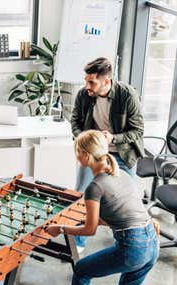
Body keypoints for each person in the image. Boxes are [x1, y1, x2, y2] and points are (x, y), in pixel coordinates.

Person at [43, 130, 158, 285]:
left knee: (82, 269)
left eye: (77, 152)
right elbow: (118, 214)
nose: (76, 156)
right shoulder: (120, 173)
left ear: (86, 155)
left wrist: (60, 228)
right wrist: (86, 219)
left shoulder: (94, 187)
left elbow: (90, 230)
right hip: (151, 242)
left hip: (133, 248)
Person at [70, 57, 145, 251]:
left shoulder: (127, 95)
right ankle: (78, 243)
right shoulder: (84, 95)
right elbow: (75, 122)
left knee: (125, 199)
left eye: (91, 82)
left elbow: (137, 131)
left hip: (123, 153)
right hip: (94, 154)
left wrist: (113, 138)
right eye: (86, 80)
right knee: (81, 196)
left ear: (106, 81)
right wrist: (85, 141)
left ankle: (124, 240)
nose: (87, 85)